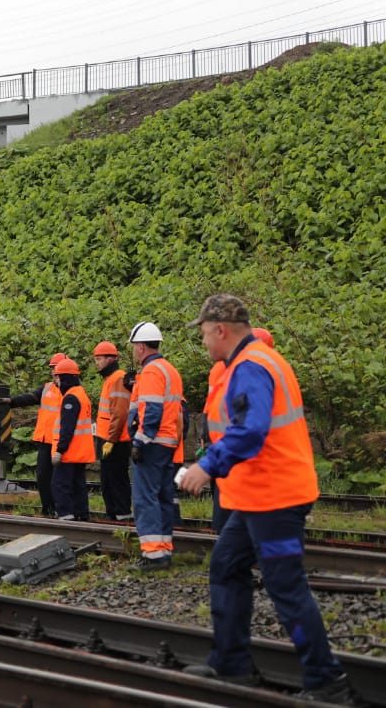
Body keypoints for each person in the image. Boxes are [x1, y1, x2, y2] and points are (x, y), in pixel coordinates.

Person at [179, 295, 352, 703]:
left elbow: (250, 431)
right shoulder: (251, 361)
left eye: (204, 333)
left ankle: (327, 682)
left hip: (275, 498)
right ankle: (232, 665)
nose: (203, 342)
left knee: (286, 587)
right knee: (225, 565)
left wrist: (207, 466)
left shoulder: (252, 367)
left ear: (221, 330)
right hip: (260, 497)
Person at [200, 327, 273, 533]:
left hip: (224, 441)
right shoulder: (259, 369)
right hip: (235, 444)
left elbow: (211, 407)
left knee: (226, 496)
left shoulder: (223, 368)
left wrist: (206, 437)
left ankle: (226, 534)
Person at [127, 321, 183, 571]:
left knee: (145, 498)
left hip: (151, 444)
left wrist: (140, 441)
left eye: (133, 347)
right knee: (163, 497)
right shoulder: (170, 369)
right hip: (168, 442)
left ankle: (153, 555)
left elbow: (151, 411)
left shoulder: (150, 372)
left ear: (140, 346)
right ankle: (164, 548)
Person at [2, 353, 66, 517]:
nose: (54, 372)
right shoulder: (47, 388)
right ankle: (48, 509)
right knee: (43, 477)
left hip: (61, 442)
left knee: (60, 479)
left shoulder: (71, 391)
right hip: (45, 440)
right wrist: (12, 401)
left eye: (57, 368)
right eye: (52, 368)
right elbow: (31, 397)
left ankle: (62, 509)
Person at [49, 357, 94, 521]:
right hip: (80, 452)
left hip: (69, 453)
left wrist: (60, 450)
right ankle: (82, 516)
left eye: (58, 377)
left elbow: (67, 428)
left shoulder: (70, 398)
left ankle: (66, 517)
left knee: (60, 485)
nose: (57, 382)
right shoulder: (81, 394)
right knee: (77, 485)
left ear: (65, 378)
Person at [93, 341, 133, 521]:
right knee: (108, 482)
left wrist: (111, 439)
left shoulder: (117, 379)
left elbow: (119, 413)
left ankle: (122, 516)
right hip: (109, 439)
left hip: (116, 441)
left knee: (116, 480)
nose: (97, 363)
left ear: (111, 359)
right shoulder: (111, 379)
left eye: (99, 359)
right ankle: (115, 516)